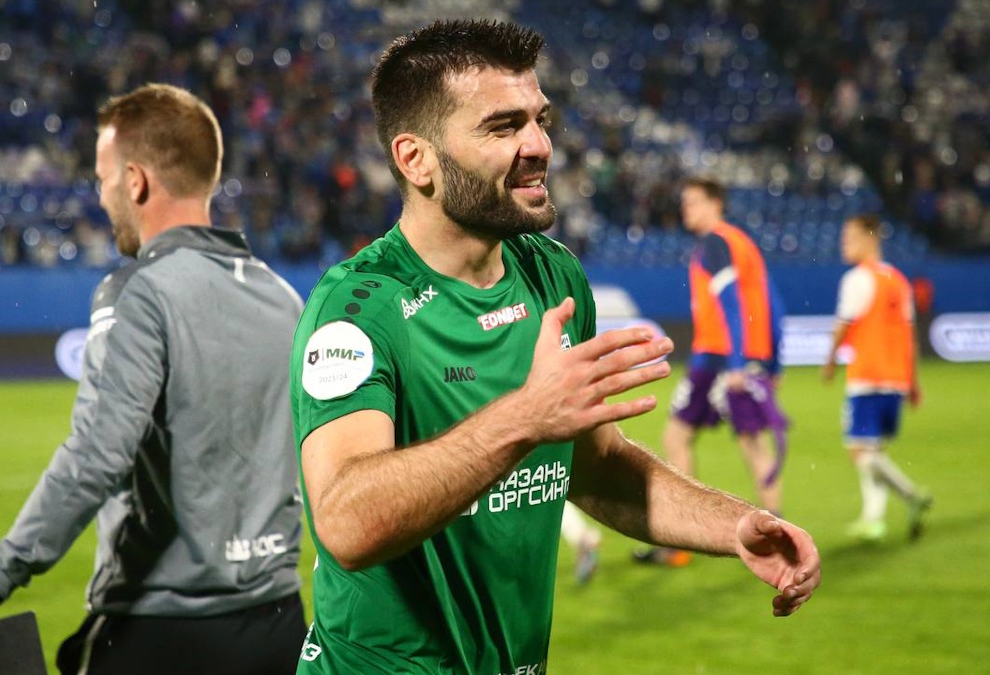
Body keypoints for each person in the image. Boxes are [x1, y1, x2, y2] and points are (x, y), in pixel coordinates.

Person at [290, 20, 820, 675]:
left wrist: (733, 525)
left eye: (540, 120)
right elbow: (344, 524)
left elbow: (596, 467)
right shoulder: (356, 310)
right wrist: (525, 416)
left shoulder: (553, 275)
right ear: (415, 159)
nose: (540, 145)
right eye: (502, 127)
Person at [0, 84, 308, 675]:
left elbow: (97, 455)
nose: (101, 196)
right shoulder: (283, 299)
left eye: (102, 179)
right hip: (278, 627)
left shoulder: (137, 292)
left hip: (164, 633)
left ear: (135, 181)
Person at [638, 177, 789, 567]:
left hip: (718, 358)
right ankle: (779, 537)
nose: (685, 208)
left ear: (715, 203)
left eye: (693, 202)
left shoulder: (714, 244)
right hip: (747, 356)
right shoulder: (742, 242)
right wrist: (773, 362)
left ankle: (681, 541)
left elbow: (732, 304)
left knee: (677, 437)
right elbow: (774, 303)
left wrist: (735, 365)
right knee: (754, 445)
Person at [823, 214, 932, 542]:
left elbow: (843, 324)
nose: (844, 244)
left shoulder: (857, 279)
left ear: (870, 238)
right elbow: (910, 337)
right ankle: (873, 519)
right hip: (895, 379)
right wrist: (913, 382)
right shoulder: (898, 280)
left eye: (850, 237)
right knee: (874, 449)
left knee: (861, 452)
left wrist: (830, 360)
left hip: (867, 376)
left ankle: (911, 495)